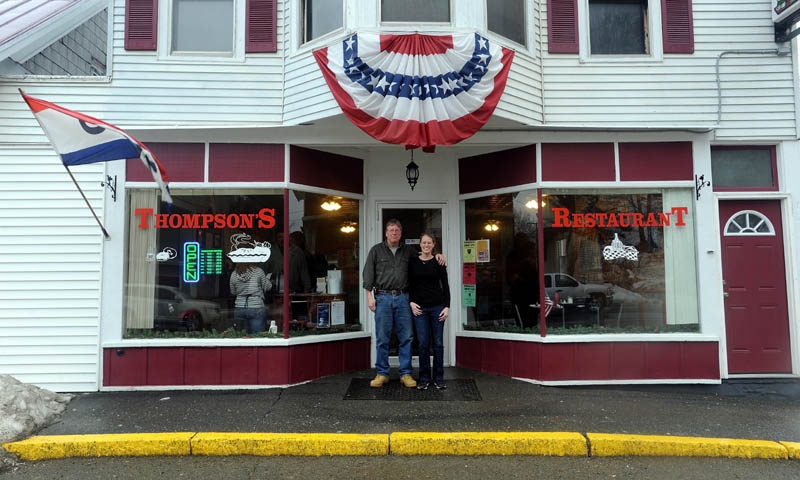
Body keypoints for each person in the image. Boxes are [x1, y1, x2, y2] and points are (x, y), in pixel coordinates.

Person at [363, 219, 445, 388]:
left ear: (401, 234)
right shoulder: (376, 251)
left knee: (406, 337)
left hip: (403, 298)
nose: (394, 233)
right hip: (383, 298)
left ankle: (406, 373)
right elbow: (368, 276)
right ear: (386, 233)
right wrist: (369, 297)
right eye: (391, 230)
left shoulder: (408, 251)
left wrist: (438, 254)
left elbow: (426, 254)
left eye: (397, 231)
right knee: (382, 338)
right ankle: (382, 373)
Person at [408, 232, 450, 390]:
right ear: (420, 244)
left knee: (438, 343)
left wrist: (447, 306)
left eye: (429, 243)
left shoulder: (439, 262)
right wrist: (411, 302)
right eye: (423, 243)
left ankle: (439, 378)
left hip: (438, 307)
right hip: (420, 309)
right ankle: (424, 378)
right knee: (423, 343)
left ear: (433, 245)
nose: (426, 246)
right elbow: (410, 285)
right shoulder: (413, 263)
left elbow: (445, 285)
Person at [230, 263, 272, 334]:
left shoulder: (234, 274)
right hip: (256, 306)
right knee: (258, 336)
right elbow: (268, 287)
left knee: (241, 336)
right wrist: (267, 278)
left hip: (240, 307)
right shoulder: (258, 271)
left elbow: (233, 292)